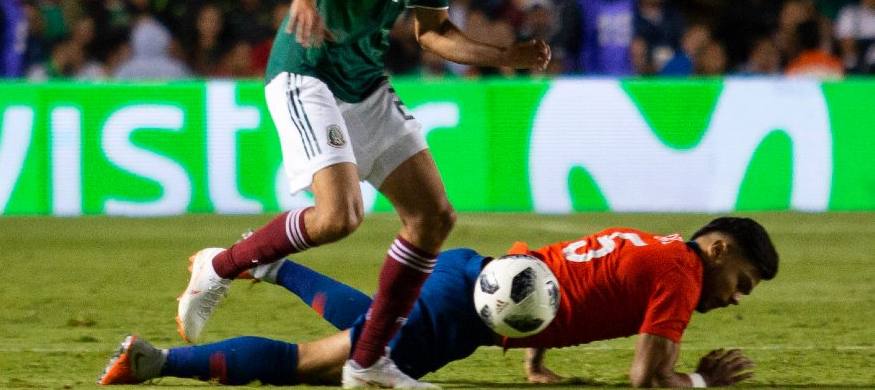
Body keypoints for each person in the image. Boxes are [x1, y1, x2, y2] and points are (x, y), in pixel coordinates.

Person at [174, 0, 550, 390]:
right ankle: (220, 265)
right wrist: (302, 0)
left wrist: (504, 56)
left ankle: (369, 364)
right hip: (309, 69)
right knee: (339, 216)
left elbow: (433, 33)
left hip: (366, 79)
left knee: (432, 218)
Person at [100, 217, 779, 388]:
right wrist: (698, 379)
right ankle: (156, 362)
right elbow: (647, 377)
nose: (735, 297)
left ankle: (273, 264)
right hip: (467, 311)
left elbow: (554, 275)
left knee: (368, 322)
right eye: (742, 280)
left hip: (474, 280)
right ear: (717, 248)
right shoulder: (683, 274)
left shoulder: (656, 247)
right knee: (311, 363)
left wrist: (536, 355)